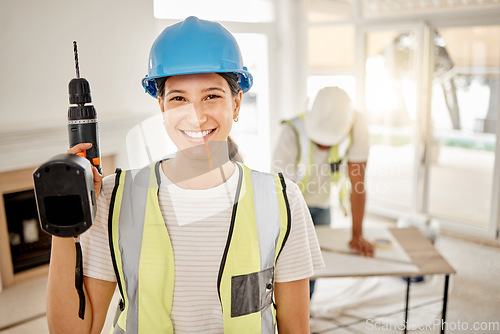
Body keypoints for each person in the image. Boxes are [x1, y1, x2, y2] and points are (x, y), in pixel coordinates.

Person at [46, 16, 324, 334]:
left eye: (212, 96)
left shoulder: (282, 200)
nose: (196, 115)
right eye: (179, 98)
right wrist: (66, 222)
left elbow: (295, 328)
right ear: (162, 107)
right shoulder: (113, 197)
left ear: (236, 103)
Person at [272, 87, 374, 297]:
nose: (324, 146)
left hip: (322, 205)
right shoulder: (291, 132)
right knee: (291, 265)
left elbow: (358, 184)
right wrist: (292, 235)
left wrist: (357, 234)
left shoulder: (357, 127)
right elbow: (280, 192)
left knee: (313, 268)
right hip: (291, 206)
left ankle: (305, 314)